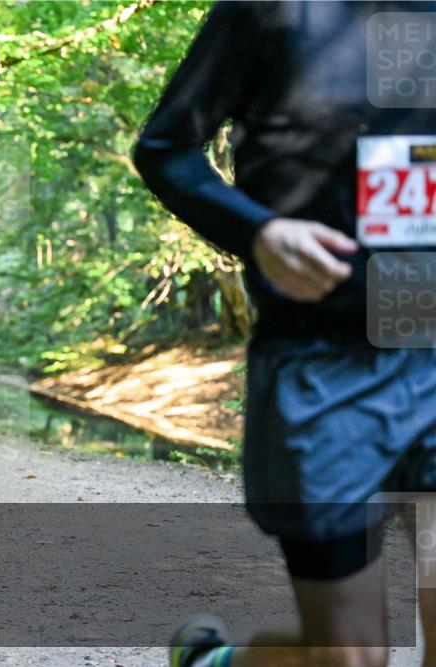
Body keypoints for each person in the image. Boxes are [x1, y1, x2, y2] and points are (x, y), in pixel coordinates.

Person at [133, 2, 435, 666]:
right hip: (322, 365)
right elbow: (165, 147)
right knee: (349, 658)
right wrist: (259, 231)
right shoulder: (266, 11)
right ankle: (213, 660)